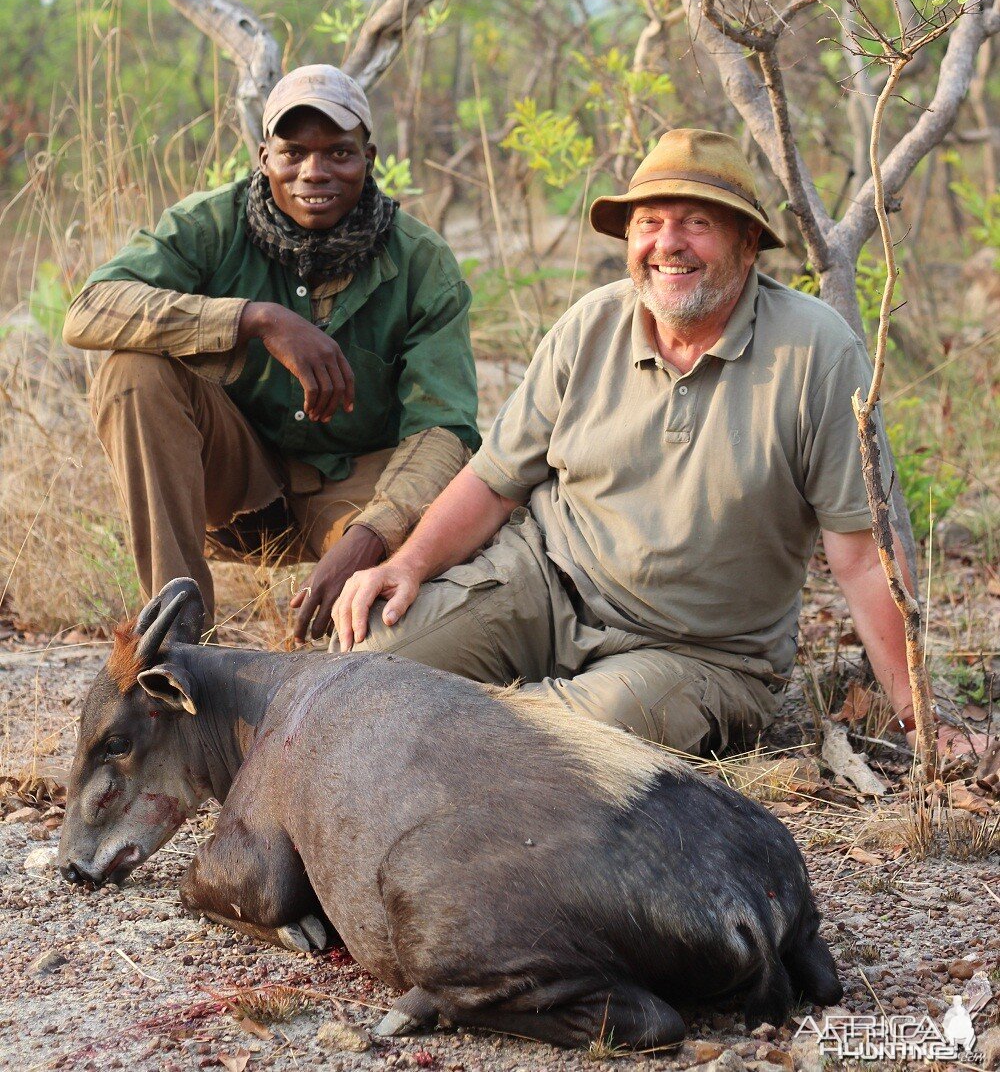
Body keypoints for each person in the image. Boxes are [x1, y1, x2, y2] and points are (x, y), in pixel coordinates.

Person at [330, 128, 984, 764]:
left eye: (696, 222)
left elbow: (866, 557)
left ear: (748, 240)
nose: (667, 244)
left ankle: (448, 739)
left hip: (697, 653)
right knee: (369, 661)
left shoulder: (815, 352)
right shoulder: (590, 325)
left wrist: (918, 716)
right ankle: (441, 735)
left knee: (562, 742)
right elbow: (494, 481)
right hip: (546, 586)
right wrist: (409, 564)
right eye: (649, 223)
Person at [63, 64, 479, 639]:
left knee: (407, 607)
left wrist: (373, 535)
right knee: (130, 372)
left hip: (355, 490)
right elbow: (90, 307)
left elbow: (446, 432)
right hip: (235, 482)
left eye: (339, 152)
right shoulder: (209, 225)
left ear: (370, 158)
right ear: (264, 156)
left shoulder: (421, 262)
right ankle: (178, 636)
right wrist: (252, 318)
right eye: (292, 153)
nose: (315, 172)